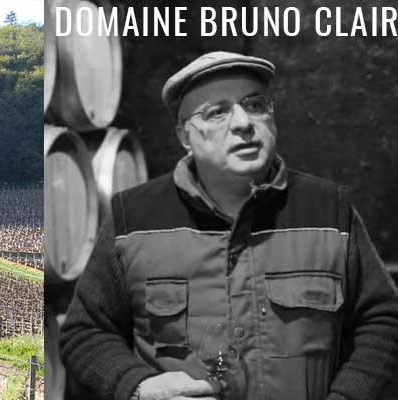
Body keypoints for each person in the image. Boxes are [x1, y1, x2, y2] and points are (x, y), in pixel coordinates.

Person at [58, 51, 398, 400]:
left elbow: (384, 321)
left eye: (255, 105)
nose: (243, 123)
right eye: (217, 112)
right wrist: (139, 386)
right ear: (184, 136)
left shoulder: (329, 211)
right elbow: (84, 333)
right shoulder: (134, 218)